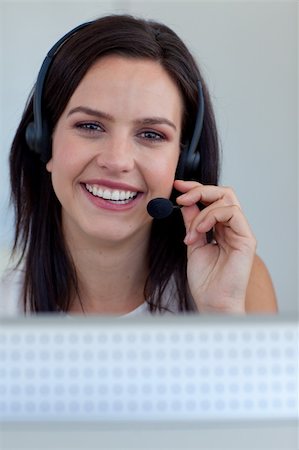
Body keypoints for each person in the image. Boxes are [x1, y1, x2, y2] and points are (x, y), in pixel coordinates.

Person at [1, 14, 277, 315]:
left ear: (184, 161)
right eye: (91, 126)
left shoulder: (239, 285)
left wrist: (221, 310)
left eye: (151, 134)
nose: (116, 160)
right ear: (43, 140)